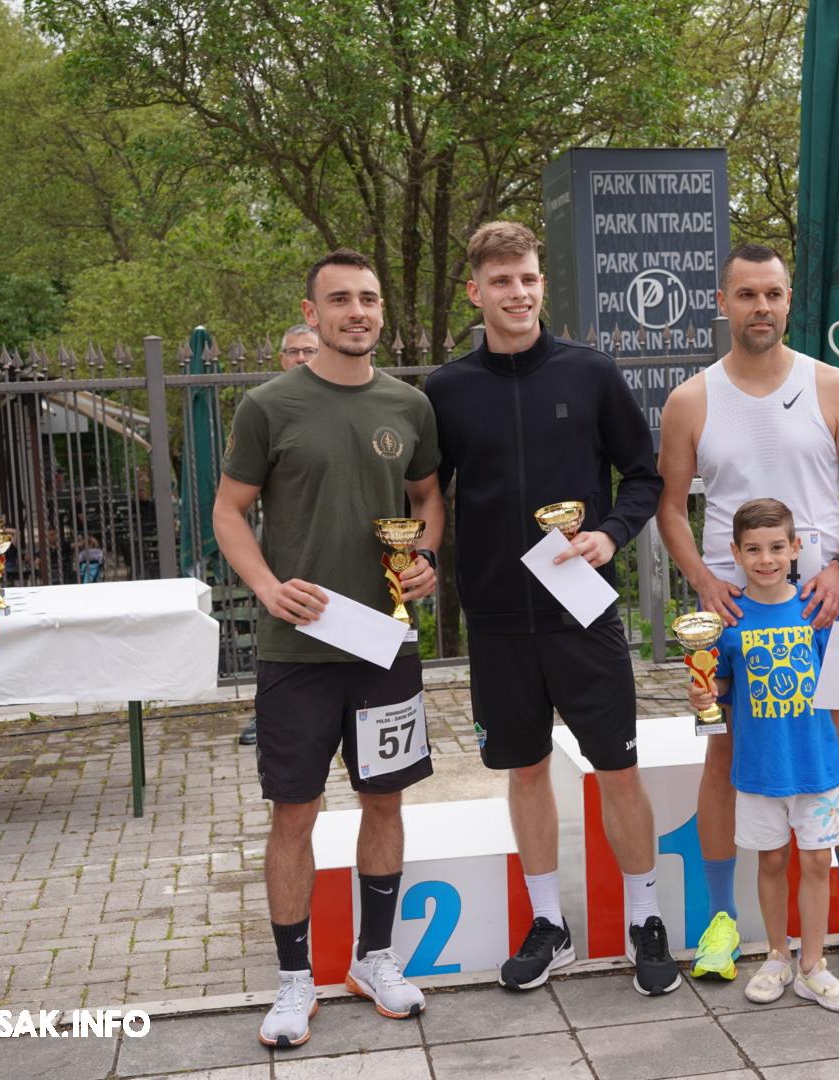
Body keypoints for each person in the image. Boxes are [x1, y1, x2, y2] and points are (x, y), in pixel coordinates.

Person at [424, 221, 679, 997]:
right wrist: (426, 560)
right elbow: (428, 496)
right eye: (502, 282)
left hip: (583, 612)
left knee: (617, 769)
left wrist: (608, 536)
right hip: (498, 616)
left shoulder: (590, 372)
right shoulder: (445, 389)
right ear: (476, 291)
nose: (519, 293)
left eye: (529, 279)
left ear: (543, 285)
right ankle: (549, 924)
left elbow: (645, 476)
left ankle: (644, 921)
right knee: (526, 770)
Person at [215, 248, 446, 1048]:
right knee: (295, 812)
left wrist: (428, 559)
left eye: (370, 299)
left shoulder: (409, 405)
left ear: (383, 312)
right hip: (296, 649)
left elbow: (427, 499)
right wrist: (266, 585)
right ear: (311, 314)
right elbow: (228, 511)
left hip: (387, 648)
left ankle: (374, 959)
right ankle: (293, 980)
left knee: (386, 801)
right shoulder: (269, 406)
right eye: (340, 299)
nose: (358, 312)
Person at [656, 243, 839, 979]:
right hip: (733, 609)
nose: (762, 307)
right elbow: (668, 508)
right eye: (748, 294)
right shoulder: (691, 399)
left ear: (791, 303)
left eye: (775, 294)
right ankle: (724, 920)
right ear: (722, 303)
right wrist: (701, 578)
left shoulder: (833, 386)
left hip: (826, 599)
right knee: (723, 751)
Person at [687, 499, 839, 1012]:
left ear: (796, 548)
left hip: (815, 766)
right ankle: (777, 955)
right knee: (771, 860)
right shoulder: (727, 619)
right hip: (758, 769)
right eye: (753, 549)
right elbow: (720, 686)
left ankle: (813, 966)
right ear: (735, 553)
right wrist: (704, 694)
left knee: (816, 861)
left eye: (776, 547)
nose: (766, 558)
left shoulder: (817, 609)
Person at [238, 323, 323, 749]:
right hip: (285, 554)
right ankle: (264, 714)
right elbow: (231, 502)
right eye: (295, 352)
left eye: (311, 350)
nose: (303, 359)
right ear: (281, 359)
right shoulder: (264, 408)